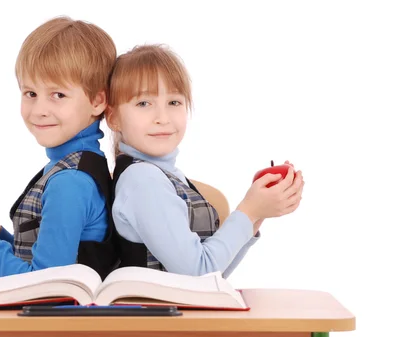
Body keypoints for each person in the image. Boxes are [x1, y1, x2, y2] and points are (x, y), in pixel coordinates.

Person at [0, 16, 118, 279]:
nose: (39, 110)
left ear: (97, 101)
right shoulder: (70, 167)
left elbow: (46, 287)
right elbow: (37, 262)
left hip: (64, 320)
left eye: (58, 95)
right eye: (30, 93)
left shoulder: (70, 181)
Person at [105, 44, 304, 277]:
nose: (162, 118)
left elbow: (213, 275)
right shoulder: (143, 180)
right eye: (143, 103)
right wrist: (248, 211)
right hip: (155, 313)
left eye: (174, 102)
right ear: (114, 118)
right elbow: (199, 273)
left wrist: (257, 215)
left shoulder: (165, 175)